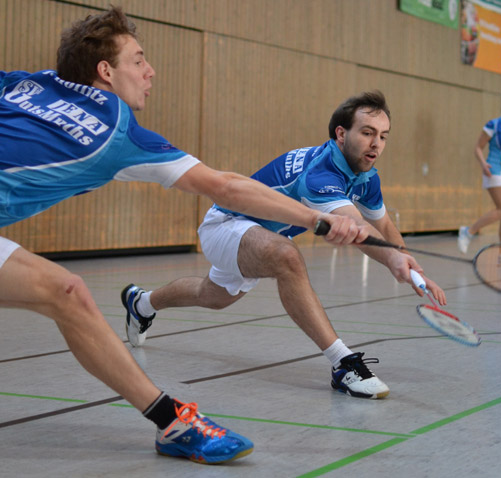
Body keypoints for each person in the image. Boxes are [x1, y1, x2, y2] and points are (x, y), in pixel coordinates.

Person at [0, 6, 369, 465]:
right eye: (138, 60)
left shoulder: (38, 89)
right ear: (105, 70)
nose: (150, 70)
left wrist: (316, 220)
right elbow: (226, 186)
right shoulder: (100, 125)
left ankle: (170, 416)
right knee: (66, 292)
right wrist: (319, 220)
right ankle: (173, 423)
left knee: (70, 292)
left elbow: (229, 182)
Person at [122, 90, 447, 400]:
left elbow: (384, 226)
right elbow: (358, 228)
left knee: (213, 296)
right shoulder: (320, 173)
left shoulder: (365, 176)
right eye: (367, 132)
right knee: (286, 257)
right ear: (340, 134)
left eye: (384, 135)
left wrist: (411, 265)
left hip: (257, 235)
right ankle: (342, 363)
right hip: (226, 224)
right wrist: (393, 261)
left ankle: (142, 303)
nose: (376, 143)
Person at [457, 90, 501, 266]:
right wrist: (483, 164)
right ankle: (468, 231)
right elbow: (478, 148)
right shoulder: (494, 125)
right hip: (494, 170)